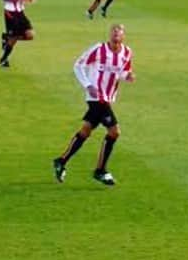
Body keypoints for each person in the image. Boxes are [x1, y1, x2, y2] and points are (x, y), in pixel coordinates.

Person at [53, 24, 135, 186]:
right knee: (114, 132)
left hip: (108, 97)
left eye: (118, 34)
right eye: (113, 33)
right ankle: (100, 170)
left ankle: (61, 161)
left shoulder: (127, 52)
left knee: (85, 131)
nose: (115, 36)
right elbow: (78, 65)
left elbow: (122, 72)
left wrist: (128, 76)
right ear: (109, 35)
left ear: (123, 36)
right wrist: (88, 85)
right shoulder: (98, 49)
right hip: (96, 98)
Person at [0, 0, 35, 68]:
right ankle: (3, 59)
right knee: (14, 38)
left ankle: (6, 37)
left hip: (20, 12)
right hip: (11, 12)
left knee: (30, 35)